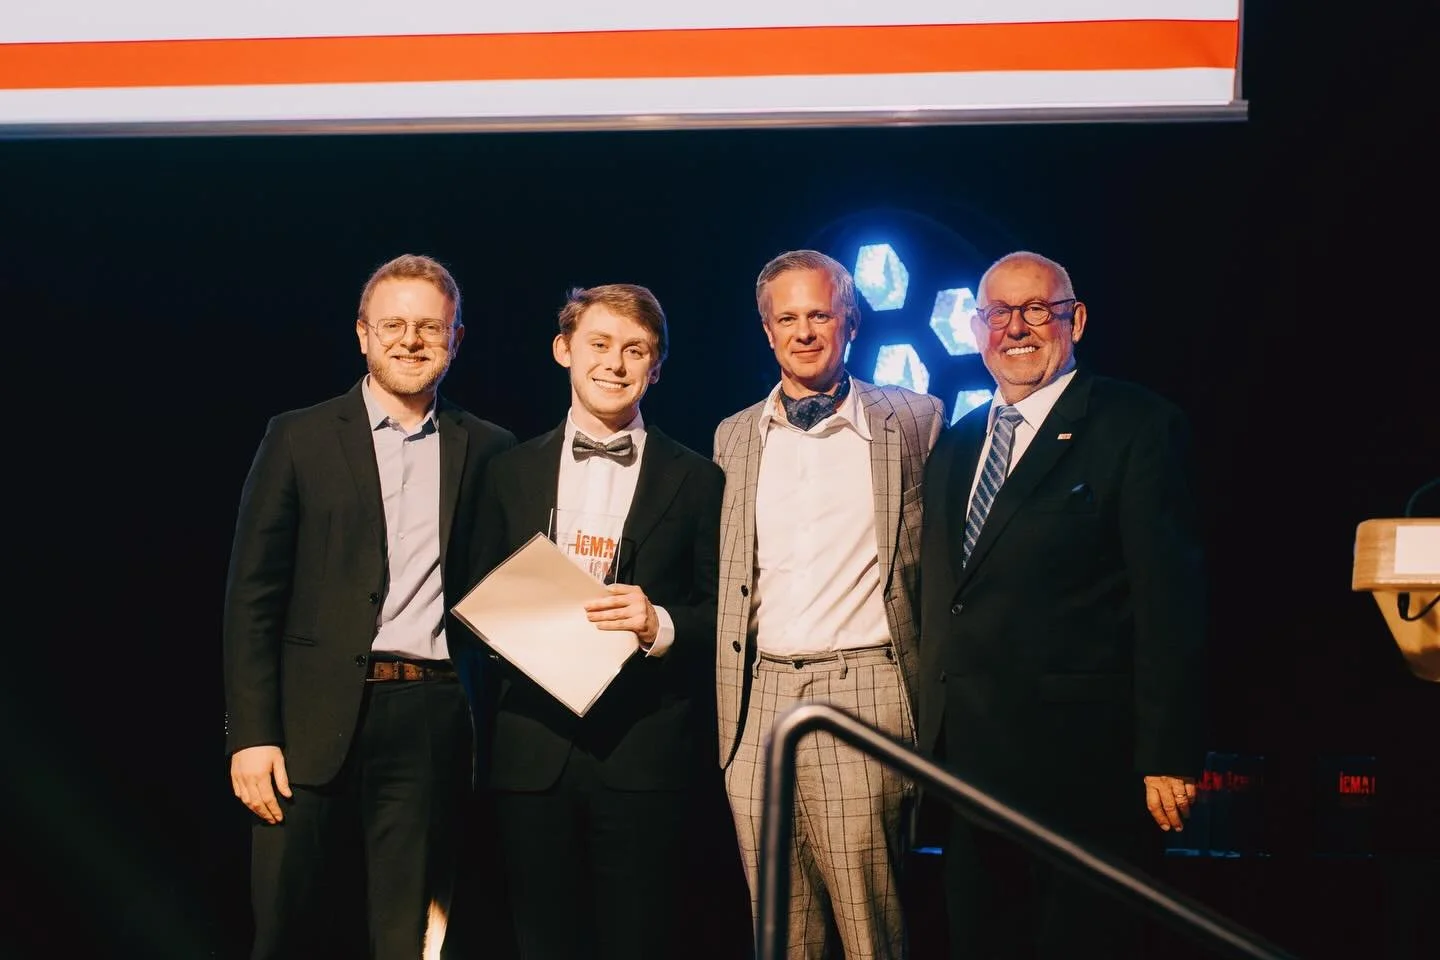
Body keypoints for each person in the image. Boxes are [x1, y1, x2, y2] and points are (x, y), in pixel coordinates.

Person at [222, 253, 516, 959]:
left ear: (456, 338)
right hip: (305, 723)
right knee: (287, 932)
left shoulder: (489, 450)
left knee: (402, 935)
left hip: (429, 719)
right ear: (362, 334)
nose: (410, 340)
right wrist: (251, 734)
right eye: (393, 325)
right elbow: (252, 596)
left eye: (428, 326)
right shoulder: (297, 436)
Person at [917, 250, 1208, 959]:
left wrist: (1167, 754)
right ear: (976, 328)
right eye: (998, 313)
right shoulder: (954, 446)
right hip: (969, 777)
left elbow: (1169, 597)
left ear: (1074, 319)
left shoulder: (1136, 425)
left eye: (1037, 309)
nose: (1017, 327)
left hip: (1088, 777)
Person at [466, 283, 725, 960]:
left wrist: (658, 624)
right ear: (564, 351)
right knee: (541, 942)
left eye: (634, 350)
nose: (614, 363)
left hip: (644, 752)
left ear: (657, 366)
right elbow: (469, 599)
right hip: (531, 752)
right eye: (599, 344)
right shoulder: (506, 470)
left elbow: (725, 614)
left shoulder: (701, 479)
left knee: (641, 940)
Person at [714, 249, 946, 959]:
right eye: (788, 317)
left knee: (870, 922)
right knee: (778, 928)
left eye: (820, 314)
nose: (804, 330)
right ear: (766, 329)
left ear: (850, 322)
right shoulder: (732, 436)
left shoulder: (915, 421)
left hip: (864, 685)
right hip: (755, 699)